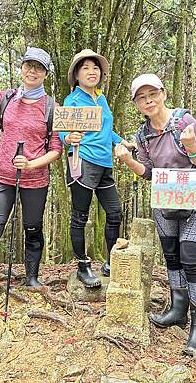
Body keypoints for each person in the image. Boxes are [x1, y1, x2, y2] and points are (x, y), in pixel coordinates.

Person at [115, 74, 196, 355]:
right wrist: (128, 160)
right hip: (164, 202)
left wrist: (192, 147)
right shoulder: (142, 134)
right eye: (141, 97)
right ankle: (177, 310)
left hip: (194, 200)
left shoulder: (184, 121)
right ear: (136, 103)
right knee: (171, 256)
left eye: (152, 94)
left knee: (192, 260)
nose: (148, 100)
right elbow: (147, 172)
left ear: (163, 93)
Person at [0, 47, 63, 317]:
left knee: (32, 229)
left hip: (35, 179)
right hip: (2, 176)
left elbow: (56, 148)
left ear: (45, 74)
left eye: (39, 68)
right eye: (28, 65)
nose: (32, 71)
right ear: (21, 68)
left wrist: (32, 164)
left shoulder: (53, 107)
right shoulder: (7, 97)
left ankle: (32, 277)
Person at [60, 49, 134, 288]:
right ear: (76, 74)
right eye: (85, 68)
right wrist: (67, 137)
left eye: (95, 68)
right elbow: (63, 129)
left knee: (114, 213)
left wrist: (120, 141)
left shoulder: (101, 98)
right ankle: (83, 266)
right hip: (82, 160)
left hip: (105, 163)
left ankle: (111, 261)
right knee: (80, 217)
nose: (91, 72)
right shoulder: (72, 100)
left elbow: (106, 129)